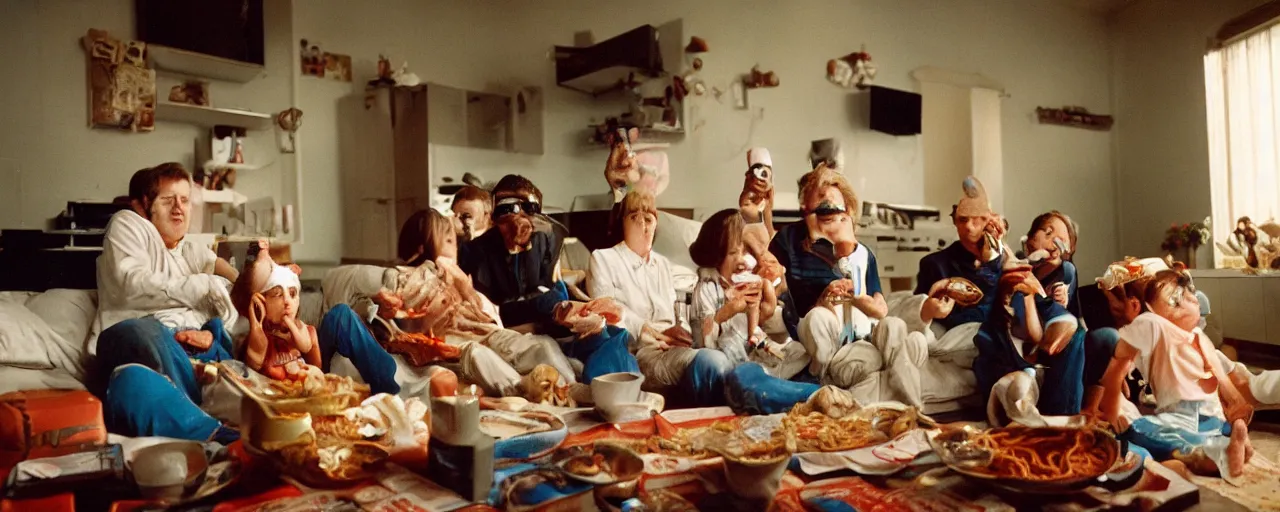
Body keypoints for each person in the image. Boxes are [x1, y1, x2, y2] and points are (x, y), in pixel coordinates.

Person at [91, 163, 241, 442]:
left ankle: (213, 424)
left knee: (223, 336)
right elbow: (130, 283)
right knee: (133, 370)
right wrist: (201, 285)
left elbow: (231, 278)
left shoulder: (189, 249)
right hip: (140, 343)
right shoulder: (128, 225)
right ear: (144, 206)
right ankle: (214, 430)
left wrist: (265, 277)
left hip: (196, 352)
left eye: (184, 201)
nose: (178, 209)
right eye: (168, 200)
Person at [460, 174, 638, 383]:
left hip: (550, 324)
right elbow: (491, 313)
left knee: (610, 332)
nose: (518, 227)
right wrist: (548, 310)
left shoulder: (543, 241)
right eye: (507, 216)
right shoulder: (476, 252)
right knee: (556, 347)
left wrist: (574, 309)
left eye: (529, 215)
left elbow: (547, 287)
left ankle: (624, 389)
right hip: (510, 331)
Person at [388, 208, 574, 396]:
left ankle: (570, 388)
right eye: (448, 241)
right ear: (421, 247)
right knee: (480, 357)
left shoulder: (458, 277)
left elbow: (487, 318)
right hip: (451, 346)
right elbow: (414, 326)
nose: (454, 248)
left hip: (486, 335)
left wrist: (465, 289)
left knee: (542, 344)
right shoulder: (405, 278)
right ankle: (525, 391)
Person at [1093, 270, 1254, 480]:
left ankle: (1201, 454)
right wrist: (1237, 419)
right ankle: (1223, 443)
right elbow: (1226, 387)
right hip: (1215, 421)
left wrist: (1113, 412)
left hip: (1183, 417)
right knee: (1181, 431)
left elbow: (1115, 371)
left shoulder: (1149, 324)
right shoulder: (1196, 336)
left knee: (1135, 431)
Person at [588, 191, 731, 407]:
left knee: (730, 365)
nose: (643, 225)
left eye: (648, 218)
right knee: (712, 362)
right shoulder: (604, 258)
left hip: (671, 349)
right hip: (636, 352)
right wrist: (651, 333)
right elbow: (607, 314)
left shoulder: (663, 264)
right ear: (622, 223)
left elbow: (678, 308)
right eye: (634, 217)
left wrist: (680, 332)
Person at [973, 211, 1085, 416]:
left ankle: (1063, 415)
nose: (1055, 243)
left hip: (1050, 335)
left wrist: (1062, 302)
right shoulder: (1019, 266)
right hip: (1019, 336)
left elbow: (1068, 319)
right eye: (1048, 234)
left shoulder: (1065, 270)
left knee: (1074, 332)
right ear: (1031, 238)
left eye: (1062, 241)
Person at [690, 209, 809, 379]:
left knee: (801, 352)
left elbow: (750, 328)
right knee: (738, 366)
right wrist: (728, 310)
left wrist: (765, 309)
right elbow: (704, 343)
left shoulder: (743, 281)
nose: (741, 261)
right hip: (724, 358)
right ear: (716, 254)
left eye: (744, 252)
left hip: (750, 353)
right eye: (732, 253)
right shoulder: (706, 287)